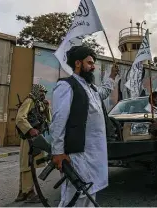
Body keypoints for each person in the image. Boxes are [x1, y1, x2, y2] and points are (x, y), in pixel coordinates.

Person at [50, 45, 119, 207]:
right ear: (78, 63)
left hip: (94, 155)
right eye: (90, 63)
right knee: (74, 197)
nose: (93, 66)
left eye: (93, 63)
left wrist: (112, 76)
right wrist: (58, 152)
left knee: (90, 193)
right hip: (78, 155)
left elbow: (103, 93)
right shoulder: (67, 86)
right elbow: (59, 120)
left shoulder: (90, 87)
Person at [15, 84, 51, 203]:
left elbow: (48, 119)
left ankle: (22, 192)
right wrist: (30, 129)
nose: (43, 94)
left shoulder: (39, 103)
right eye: (41, 91)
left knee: (31, 163)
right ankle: (29, 192)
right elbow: (20, 118)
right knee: (27, 163)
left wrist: (47, 108)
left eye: (44, 92)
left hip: (36, 137)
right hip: (29, 138)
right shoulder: (29, 100)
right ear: (36, 91)